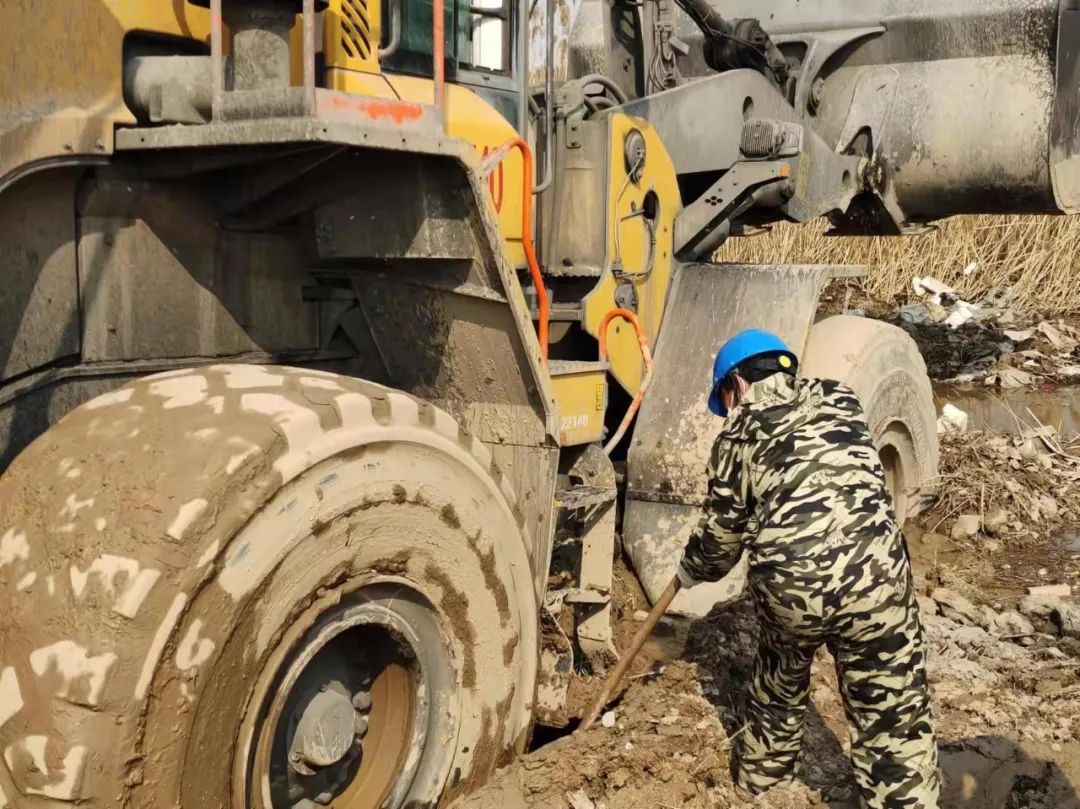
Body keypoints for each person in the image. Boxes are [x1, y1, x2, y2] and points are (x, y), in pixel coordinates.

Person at [675, 328, 940, 809]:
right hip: (877, 579)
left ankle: (762, 790)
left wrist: (691, 569)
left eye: (726, 398)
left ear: (737, 383)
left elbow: (720, 544)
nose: (728, 409)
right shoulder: (841, 399)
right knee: (893, 713)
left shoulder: (736, 436)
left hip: (793, 593)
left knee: (776, 686)